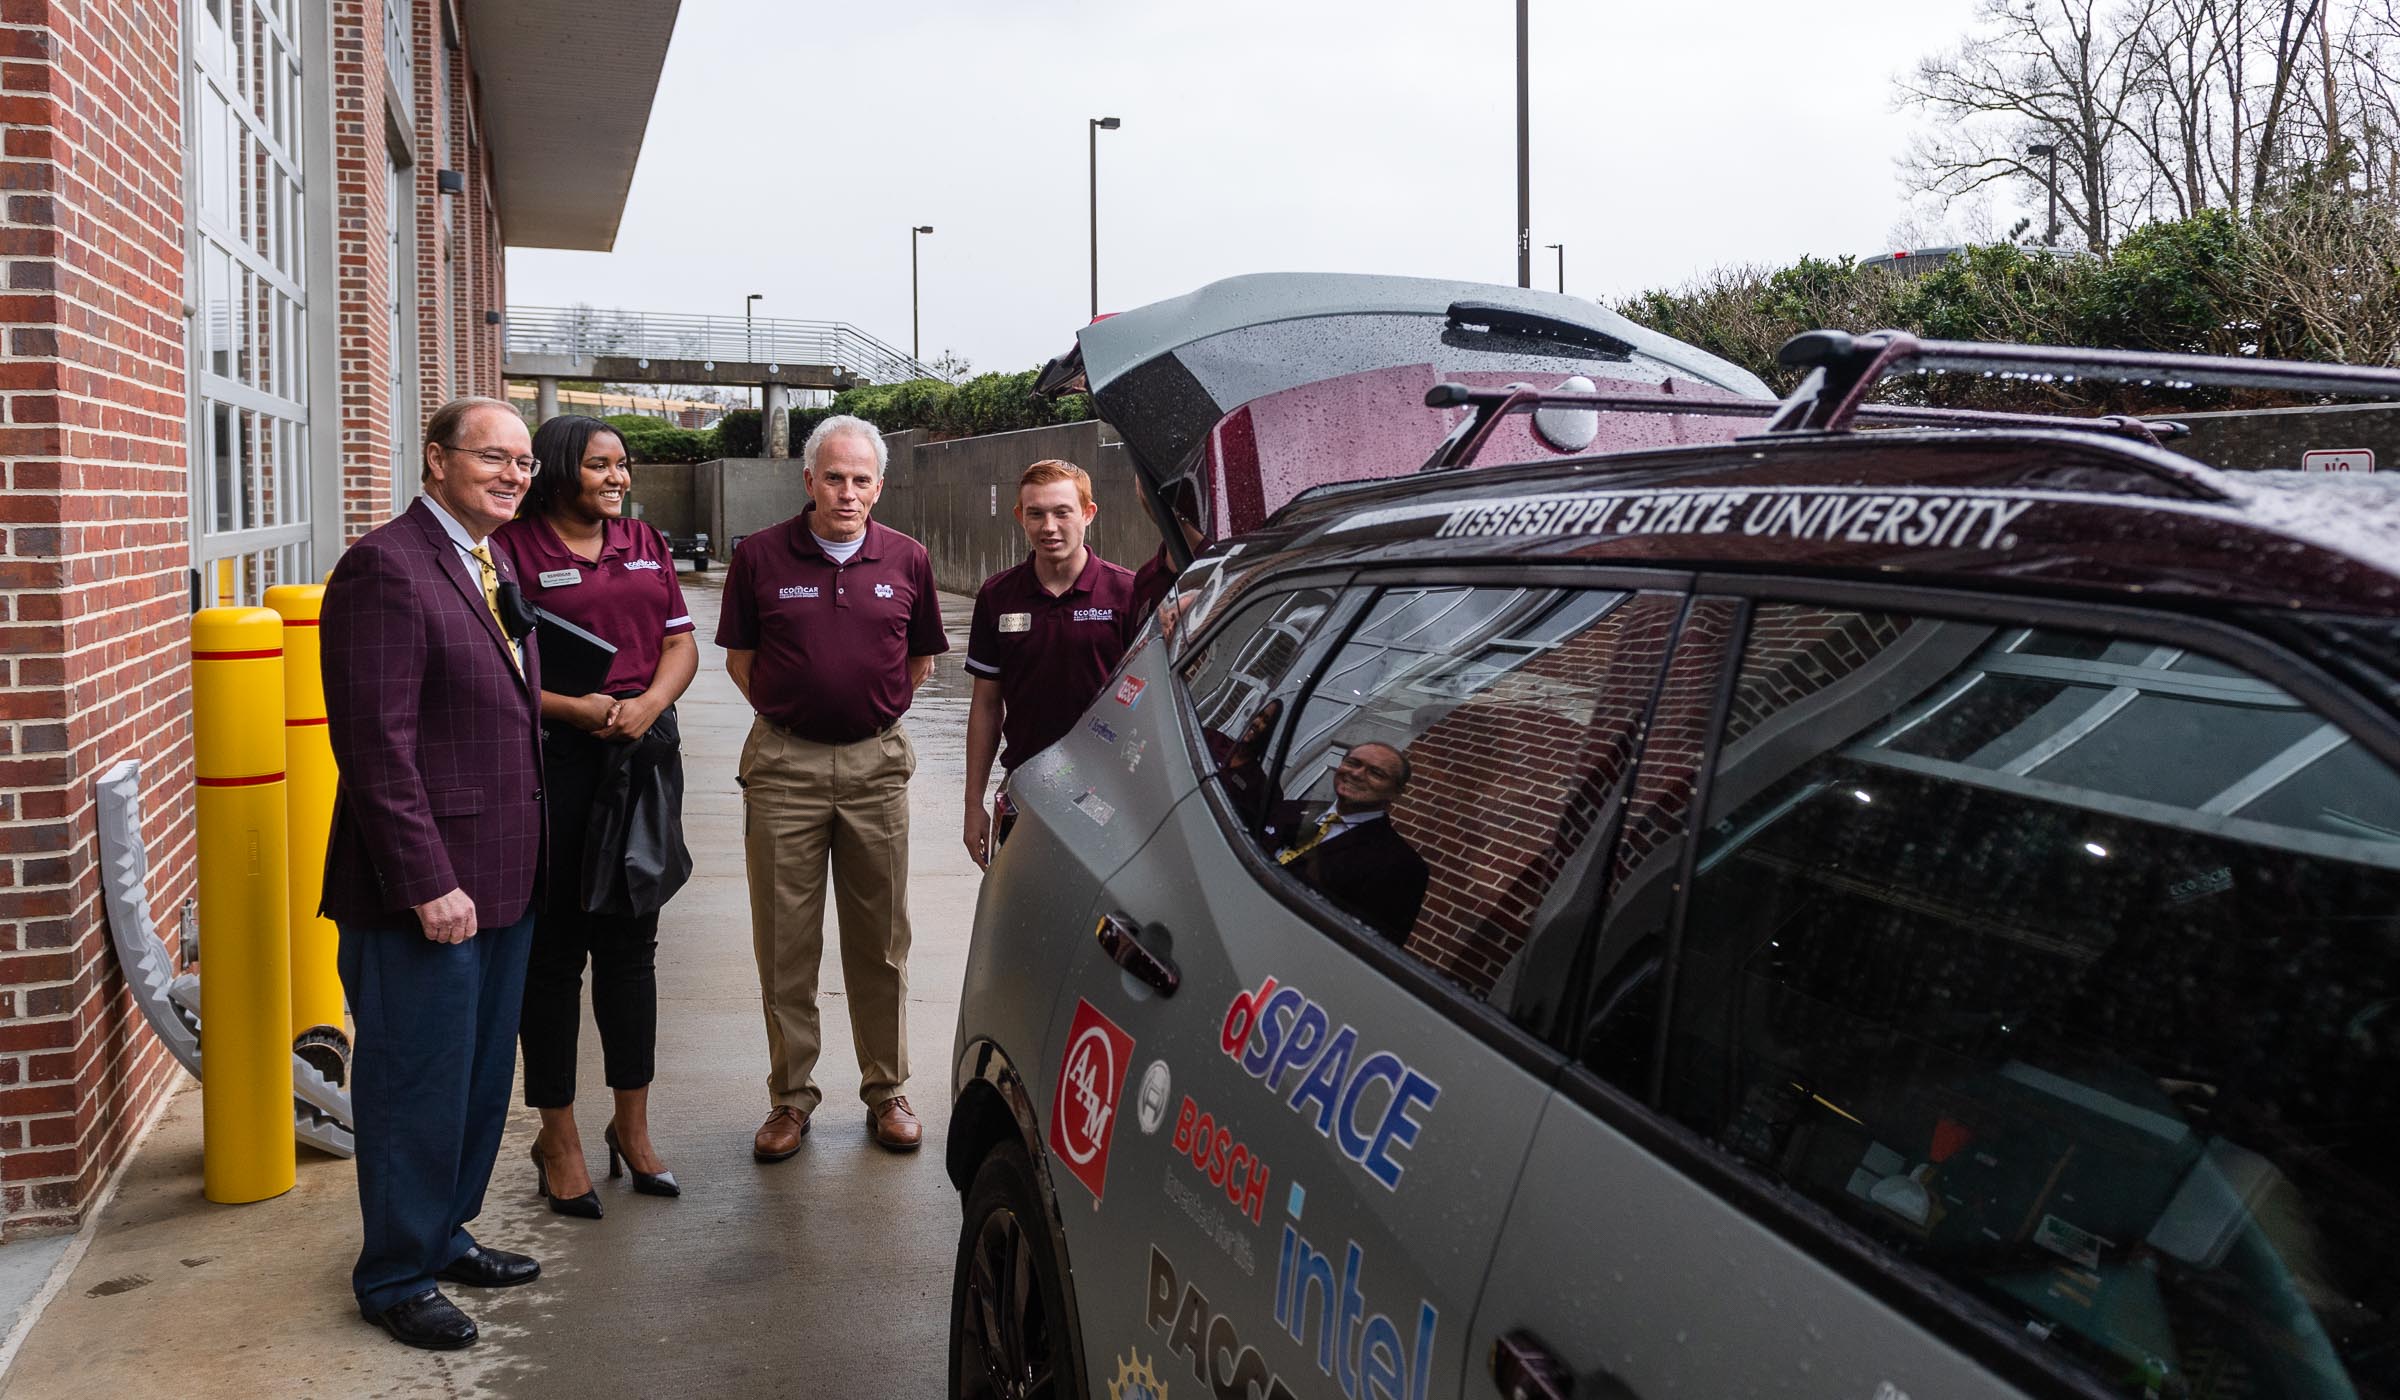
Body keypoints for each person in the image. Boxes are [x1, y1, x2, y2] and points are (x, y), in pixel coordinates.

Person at [319, 397, 546, 1351]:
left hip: (502, 878)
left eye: (524, 462)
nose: (512, 475)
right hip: (427, 892)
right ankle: (396, 1275)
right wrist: (425, 880)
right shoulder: (385, 567)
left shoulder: (489, 562)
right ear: (437, 460)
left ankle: (444, 1232)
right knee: (414, 1085)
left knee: (479, 1079)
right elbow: (377, 747)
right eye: (491, 458)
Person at [717, 414, 949, 1158]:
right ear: (807, 479)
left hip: (876, 767)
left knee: (881, 942)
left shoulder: (908, 559)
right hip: (785, 767)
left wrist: (864, 716)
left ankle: (887, 1091)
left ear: (879, 485)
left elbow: (919, 664)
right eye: (834, 477)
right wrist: (799, 718)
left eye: (861, 480)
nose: (847, 493)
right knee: (785, 945)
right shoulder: (758, 556)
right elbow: (741, 662)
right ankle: (790, 1100)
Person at [492, 415, 698, 1216]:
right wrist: (571, 710)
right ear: (558, 472)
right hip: (554, 764)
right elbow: (497, 665)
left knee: (630, 948)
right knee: (553, 957)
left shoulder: (645, 541)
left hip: (640, 755)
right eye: (600, 465)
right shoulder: (513, 549)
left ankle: (633, 1128)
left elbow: (681, 643)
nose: (618, 478)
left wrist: (647, 704)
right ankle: (560, 1136)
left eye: (623, 465)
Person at [963, 460, 1142, 865]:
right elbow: (986, 705)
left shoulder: (1127, 594)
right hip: (1025, 788)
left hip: (1109, 794)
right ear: (1019, 517)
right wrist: (973, 804)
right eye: (1036, 513)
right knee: (1018, 912)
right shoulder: (997, 596)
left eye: (1062, 512)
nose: (1049, 526)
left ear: (1088, 513)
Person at [1268, 742, 1430, 942]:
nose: (1356, 774)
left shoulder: (1402, 865)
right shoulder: (1287, 810)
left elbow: (1372, 943)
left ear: (1396, 793)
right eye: (1353, 763)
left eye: (1376, 773)